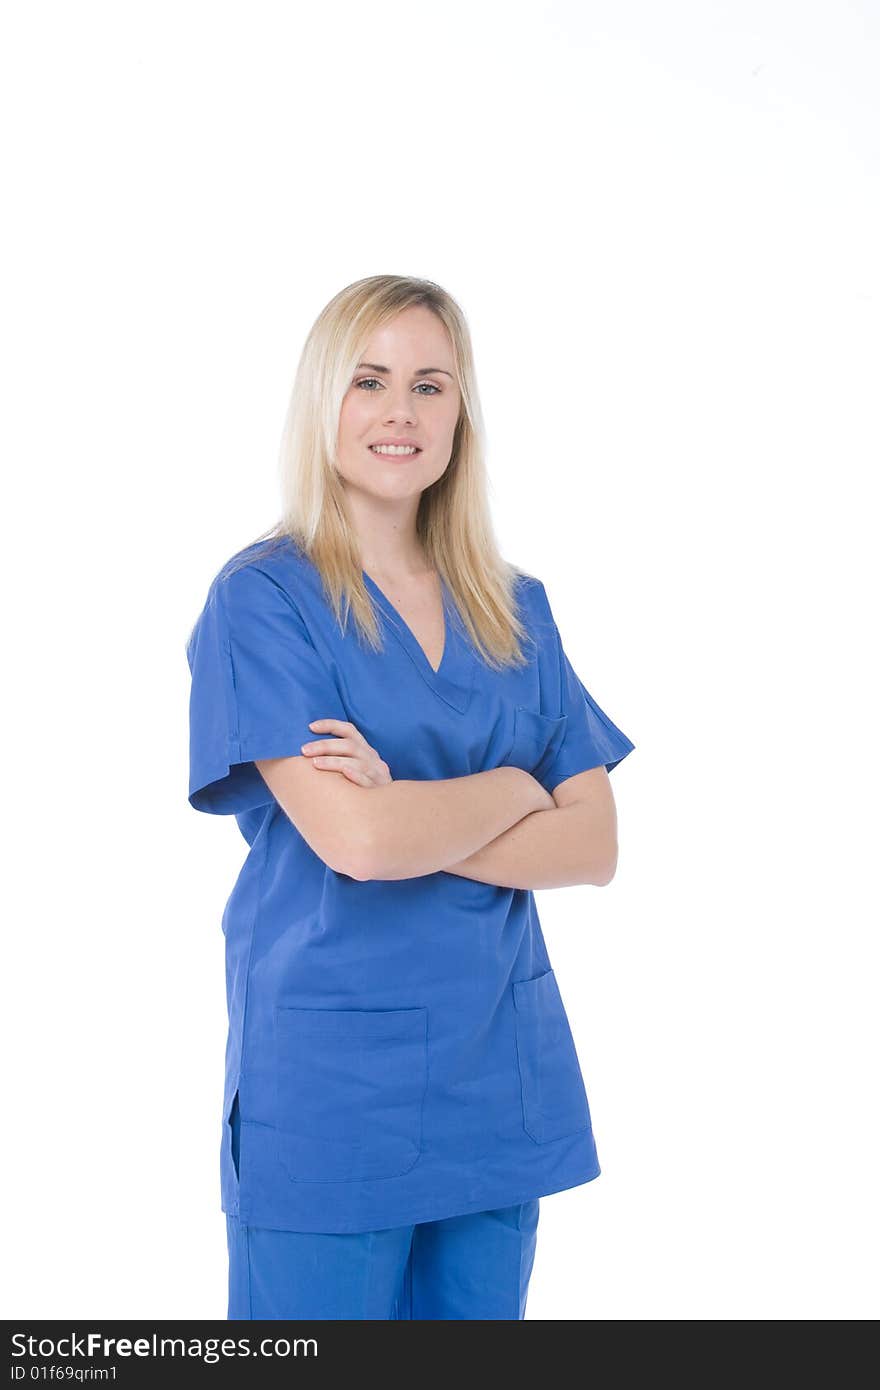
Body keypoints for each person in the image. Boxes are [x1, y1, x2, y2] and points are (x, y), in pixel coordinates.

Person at [185, 274, 635, 1320]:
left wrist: (417, 810)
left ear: (460, 413)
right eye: (370, 380)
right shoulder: (263, 599)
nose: (401, 411)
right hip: (330, 1092)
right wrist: (517, 789)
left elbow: (595, 845)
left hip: (494, 1078)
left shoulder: (514, 607)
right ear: (322, 404)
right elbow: (358, 842)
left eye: (431, 384)